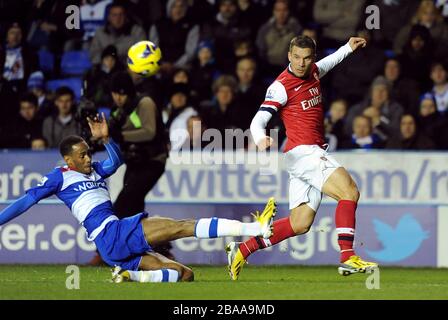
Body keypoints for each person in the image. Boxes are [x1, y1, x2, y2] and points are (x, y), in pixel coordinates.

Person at [0, 114, 276, 283]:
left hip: (111, 245)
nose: (88, 157)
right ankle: (257, 229)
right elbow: (26, 201)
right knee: (181, 226)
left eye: (88, 152)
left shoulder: (94, 169)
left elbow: (116, 161)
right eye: (82, 155)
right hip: (112, 232)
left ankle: (131, 276)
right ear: (67, 159)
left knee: (186, 275)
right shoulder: (58, 177)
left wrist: (106, 138)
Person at [226, 35, 378, 280]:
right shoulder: (280, 86)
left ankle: (242, 249)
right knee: (349, 192)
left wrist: (348, 48)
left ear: (312, 59)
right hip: (305, 152)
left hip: (302, 157)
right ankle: (348, 257)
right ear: (289, 56)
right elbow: (259, 119)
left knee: (300, 224)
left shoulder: (314, 72)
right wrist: (259, 137)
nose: (301, 63)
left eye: (306, 58)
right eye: (296, 57)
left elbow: (330, 61)